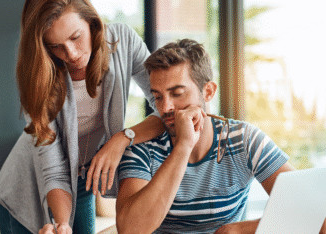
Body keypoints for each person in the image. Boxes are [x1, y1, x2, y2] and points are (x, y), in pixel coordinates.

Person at [0, 0, 165, 233]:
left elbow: (164, 106)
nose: (70, 54)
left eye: (75, 37)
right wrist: (61, 224)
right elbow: (54, 171)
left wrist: (123, 138)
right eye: (56, 46)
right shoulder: (40, 77)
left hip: (82, 177)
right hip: (26, 185)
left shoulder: (122, 41)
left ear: (92, 22)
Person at [115, 39, 300, 234]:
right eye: (158, 97)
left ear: (208, 91)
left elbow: (306, 206)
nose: (165, 107)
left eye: (177, 93)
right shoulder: (142, 149)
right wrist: (183, 147)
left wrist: (239, 230)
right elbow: (130, 230)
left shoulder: (244, 140)